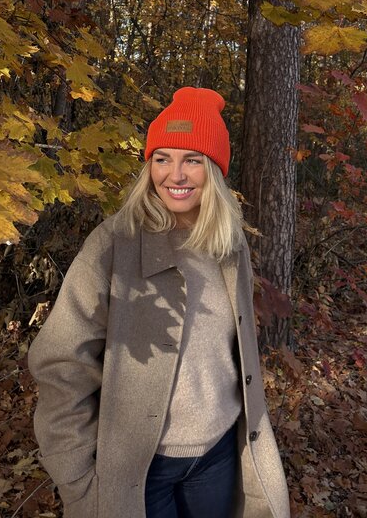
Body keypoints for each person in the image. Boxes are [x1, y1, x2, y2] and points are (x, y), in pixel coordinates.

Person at [28, 87, 290, 518]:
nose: (175, 175)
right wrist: (76, 478)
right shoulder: (114, 245)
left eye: (192, 160)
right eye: (162, 159)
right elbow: (62, 363)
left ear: (214, 169)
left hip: (219, 455)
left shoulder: (229, 245)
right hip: (141, 471)